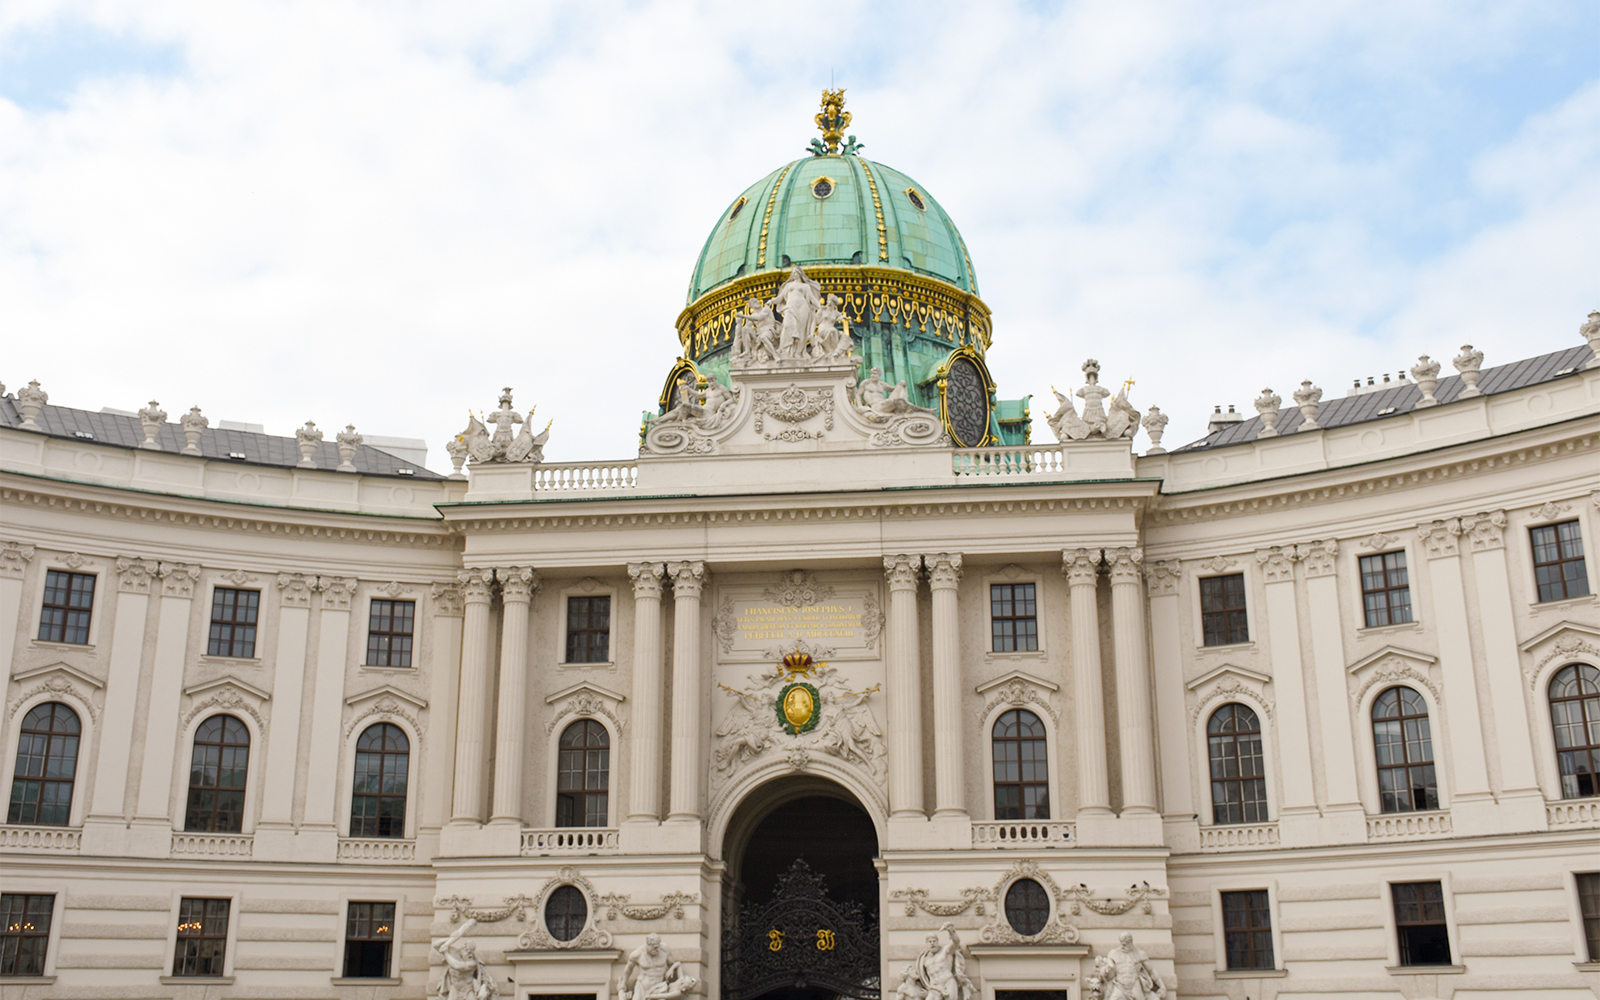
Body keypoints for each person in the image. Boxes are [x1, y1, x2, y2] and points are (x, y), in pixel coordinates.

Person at [433, 919, 498, 1000]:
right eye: (467, 951)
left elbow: (458, 966)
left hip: (467, 988)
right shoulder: (455, 953)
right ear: (463, 949)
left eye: (471, 952)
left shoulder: (472, 963)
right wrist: (450, 938)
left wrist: (446, 953)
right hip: (455, 988)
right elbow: (436, 945)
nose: (469, 954)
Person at [618, 932, 692, 1000]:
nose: (656, 950)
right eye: (654, 947)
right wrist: (624, 983)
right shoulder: (637, 954)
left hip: (660, 986)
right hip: (643, 987)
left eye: (657, 947)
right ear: (648, 944)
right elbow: (629, 969)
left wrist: (672, 971)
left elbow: (673, 964)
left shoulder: (665, 950)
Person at [772, 265, 822, 359]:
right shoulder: (788, 285)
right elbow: (780, 297)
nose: (794, 274)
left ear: (800, 274)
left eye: (795, 272)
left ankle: (798, 353)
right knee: (787, 326)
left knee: (801, 330)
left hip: (803, 308)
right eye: (793, 272)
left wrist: (820, 307)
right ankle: (784, 350)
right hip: (790, 307)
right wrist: (772, 301)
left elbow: (812, 298)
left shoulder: (806, 286)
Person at [1103, 931, 1164, 1000]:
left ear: (1130, 942)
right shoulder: (1113, 954)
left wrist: (1162, 986)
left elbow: (1151, 972)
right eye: (1121, 943)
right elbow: (1108, 971)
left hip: (1134, 986)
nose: (1122, 946)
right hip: (1119, 986)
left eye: (1125, 944)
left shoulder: (1140, 954)